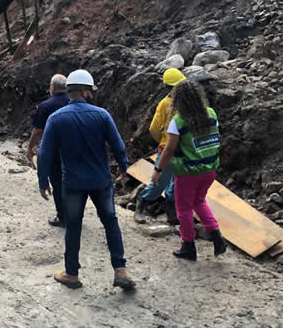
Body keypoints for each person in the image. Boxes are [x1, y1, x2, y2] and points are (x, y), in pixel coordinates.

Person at [36, 69, 136, 291]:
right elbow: (118, 145)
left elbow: (44, 153)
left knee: (73, 226)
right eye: (91, 90)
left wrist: (43, 180)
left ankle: (71, 274)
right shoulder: (102, 115)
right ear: (85, 91)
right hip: (101, 181)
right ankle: (120, 271)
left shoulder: (56, 118)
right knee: (111, 223)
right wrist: (123, 168)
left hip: (73, 183)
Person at [152, 79, 227, 261]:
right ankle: (217, 238)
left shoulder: (178, 121)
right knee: (199, 201)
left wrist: (158, 170)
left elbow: (169, 149)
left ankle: (188, 246)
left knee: (184, 209)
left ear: (178, 100)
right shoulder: (211, 114)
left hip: (187, 172)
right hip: (209, 169)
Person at [135, 68, 185, 225]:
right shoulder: (164, 104)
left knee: (177, 183)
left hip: (183, 149)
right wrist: (163, 141)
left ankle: (171, 211)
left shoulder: (185, 103)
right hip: (168, 149)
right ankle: (142, 203)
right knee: (159, 181)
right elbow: (153, 128)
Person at [26, 74, 69, 227]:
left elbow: (38, 131)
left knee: (57, 183)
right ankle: (75, 215)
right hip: (76, 150)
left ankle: (63, 217)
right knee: (73, 183)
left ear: (52, 88)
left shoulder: (46, 106)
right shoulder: (75, 102)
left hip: (55, 151)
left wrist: (30, 148)